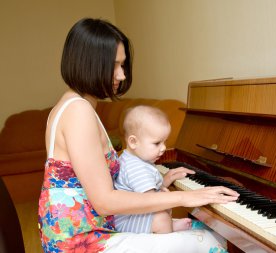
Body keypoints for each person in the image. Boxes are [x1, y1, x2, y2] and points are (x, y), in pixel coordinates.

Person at [38, 17, 239, 253]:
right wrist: (185, 198)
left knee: (199, 229)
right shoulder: (77, 111)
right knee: (211, 242)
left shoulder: (75, 105)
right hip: (83, 242)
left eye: (122, 65)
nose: (121, 75)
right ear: (88, 63)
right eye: (114, 65)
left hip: (90, 230)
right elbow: (105, 202)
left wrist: (162, 182)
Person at [114, 105, 192, 234]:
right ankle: (168, 235)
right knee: (161, 217)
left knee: (162, 213)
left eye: (165, 142)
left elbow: (146, 189)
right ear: (133, 142)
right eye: (157, 143)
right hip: (127, 222)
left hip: (133, 214)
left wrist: (166, 179)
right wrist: (170, 197)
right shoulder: (136, 168)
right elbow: (150, 201)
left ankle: (169, 225)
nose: (163, 148)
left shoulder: (134, 158)